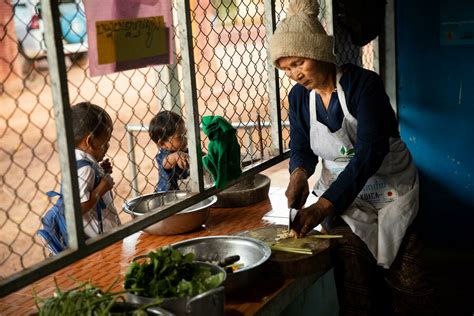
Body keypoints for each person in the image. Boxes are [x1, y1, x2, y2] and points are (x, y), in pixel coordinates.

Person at [268, 0, 436, 314]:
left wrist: (322, 205)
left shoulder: (364, 86)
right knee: (354, 275)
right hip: (345, 199)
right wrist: (298, 176)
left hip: (389, 188)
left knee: (409, 279)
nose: (294, 74)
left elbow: (370, 152)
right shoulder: (298, 99)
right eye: (285, 68)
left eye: (298, 62)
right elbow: (302, 149)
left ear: (318, 51)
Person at [72, 102, 121, 238]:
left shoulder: (76, 162)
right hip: (98, 239)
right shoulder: (85, 169)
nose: (108, 146)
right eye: (105, 142)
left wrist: (99, 172)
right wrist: (102, 188)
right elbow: (77, 208)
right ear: (90, 141)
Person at [149, 111, 190, 192]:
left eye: (185, 134)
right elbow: (166, 163)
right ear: (163, 144)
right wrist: (176, 156)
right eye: (180, 137)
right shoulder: (165, 156)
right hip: (167, 196)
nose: (185, 139)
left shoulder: (184, 150)